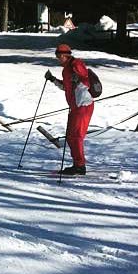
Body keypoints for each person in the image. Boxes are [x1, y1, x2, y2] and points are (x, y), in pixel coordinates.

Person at [45, 42, 94, 175]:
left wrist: (77, 79)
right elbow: (66, 87)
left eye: (59, 56)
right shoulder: (66, 69)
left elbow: (86, 81)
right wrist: (53, 79)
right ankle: (77, 164)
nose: (58, 59)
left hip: (83, 105)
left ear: (65, 55)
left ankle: (80, 166)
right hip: (75, 106)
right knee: (71, 136)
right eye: (57, 57)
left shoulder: (76, 64)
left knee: (76, 136)